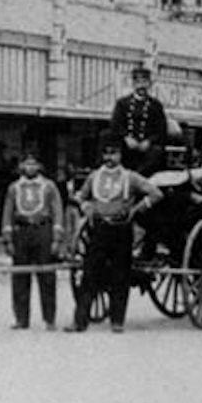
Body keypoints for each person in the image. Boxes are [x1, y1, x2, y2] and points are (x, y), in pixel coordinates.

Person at [65, 132, 162, 334]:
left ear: (121, 156)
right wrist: (86, 207)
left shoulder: (131, 177)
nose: (109, 158)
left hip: (121, 230)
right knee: (89, 275)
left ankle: (117, 321)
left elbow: (156, 193)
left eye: (114, 154)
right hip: (99, 230)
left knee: (120, 276)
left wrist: (137, 209)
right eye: (106, 154)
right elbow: (81, 197)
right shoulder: (94, 177)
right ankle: (79, 321)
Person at [0, 152, 65, 330]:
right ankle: (21, 319)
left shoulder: (49, 186)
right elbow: (7, 213)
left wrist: (57, 238)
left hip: (42, 230)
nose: (30, 167)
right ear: (21, 167)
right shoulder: (14, 188)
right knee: (20, 276)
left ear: (39, 167)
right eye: (26, 164)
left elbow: (58, 211)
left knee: (47, 276)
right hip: (21, 231)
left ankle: (49, 319)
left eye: (33, 164)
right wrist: (8, 239)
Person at [110, 65, 169, 176]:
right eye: (138, 82)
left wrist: (149, 141)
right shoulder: (123, 103)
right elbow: (115, 125)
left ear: (149, 84)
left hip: (146, 146)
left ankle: (138, 178)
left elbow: (161, 129)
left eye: (144, 82)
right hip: (127, 144)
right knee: (112, 147)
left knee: (157, 152)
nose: (141, 86)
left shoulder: (155, 105)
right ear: (133, 84)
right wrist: (126, 137)